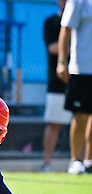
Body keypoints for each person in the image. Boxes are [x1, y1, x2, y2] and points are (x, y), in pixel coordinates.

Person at [56, 0, 92, 174]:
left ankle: (89, 160)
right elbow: (66, 28)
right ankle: (75, 161)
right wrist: (62, 61)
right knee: (81, 115)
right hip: (82, 69)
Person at [41, 0, 72, 172]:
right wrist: (75, 46)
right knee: (54, 123)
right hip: (57, 81)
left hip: (80, 79)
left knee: (83, 121)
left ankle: (81, 162)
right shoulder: (50, 21)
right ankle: (47, 164)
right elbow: (52, 47)